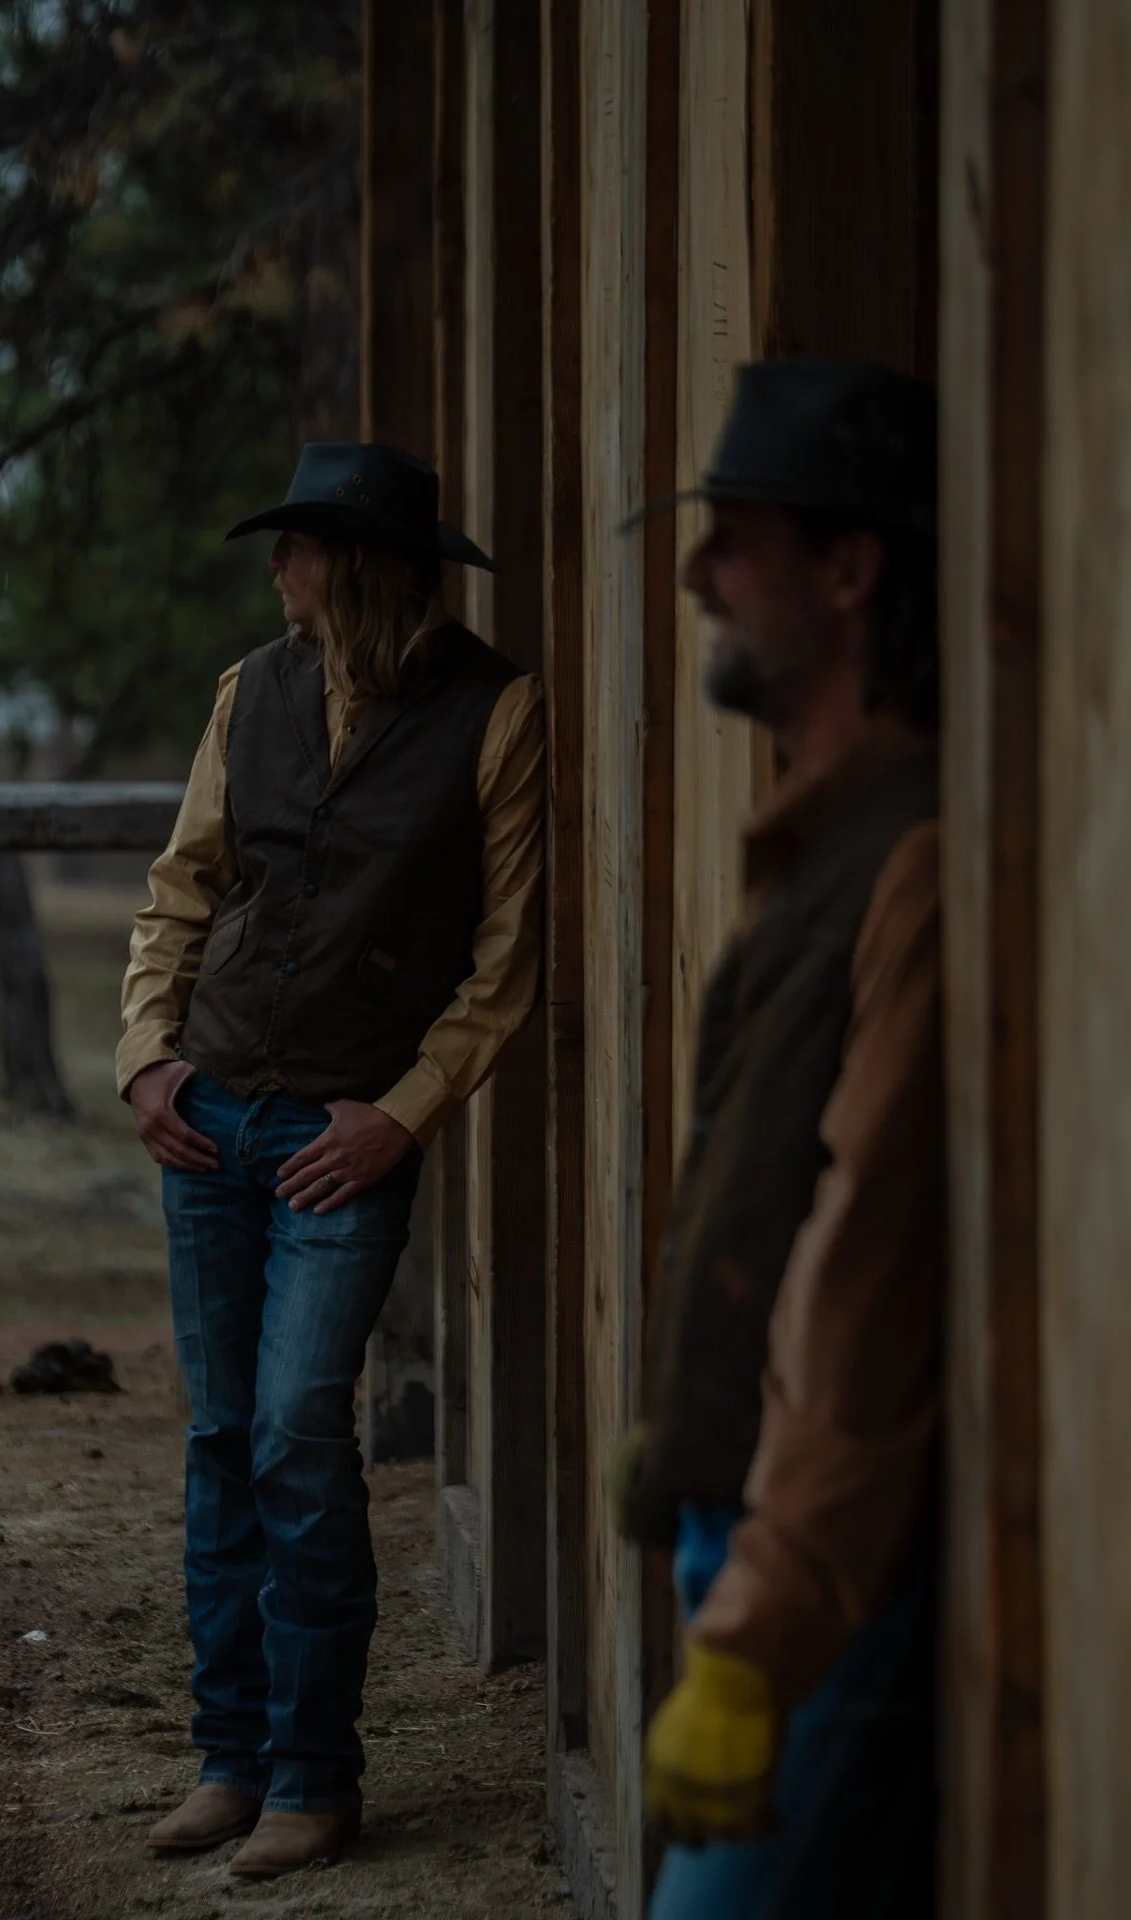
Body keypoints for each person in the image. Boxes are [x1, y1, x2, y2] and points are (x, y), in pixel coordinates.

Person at [118, 442, 544, 1880]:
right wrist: (144, 1057)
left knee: (302, 1431)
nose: (275, 569)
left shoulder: (496, 715)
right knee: (223, 1438)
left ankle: (316, 1773)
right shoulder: (254, 692)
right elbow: (182, 890)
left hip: (341, 1142)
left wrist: (402, 1113)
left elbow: (503, 966)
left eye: (296, 546)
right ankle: (230, 1761)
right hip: (209, 1113)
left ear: (357, 566)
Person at [610, 359, 943, 1918]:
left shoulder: (917, 860)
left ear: (850, 568)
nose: (693, 576)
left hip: (819, 1591)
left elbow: (869, 1267)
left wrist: (759, 1634)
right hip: (749, 1542)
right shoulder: (829, 838)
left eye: (730, 539)